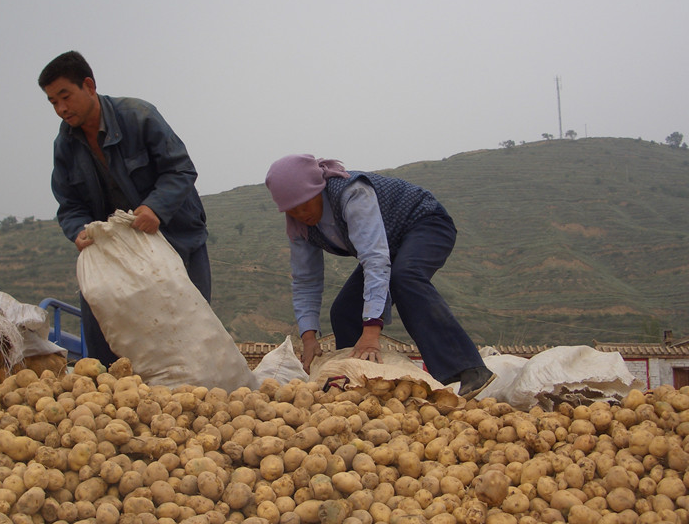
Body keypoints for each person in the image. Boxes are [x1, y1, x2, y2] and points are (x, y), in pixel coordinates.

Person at [264, 154, 495, 398]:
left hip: (424, 223)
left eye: (305, 204)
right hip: (388, 247)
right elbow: (306, 281)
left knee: (405, 277)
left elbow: (374, 259)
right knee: (344, 311)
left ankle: (469, 369)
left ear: (318, 189)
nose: (301, 214)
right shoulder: (300, 227)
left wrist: (372, 332)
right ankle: (364, 384)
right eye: (293, 210)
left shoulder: (351, 193)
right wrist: (308, 337)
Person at [39, 50, 211, 367]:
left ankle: (195, 394)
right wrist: (78, 230)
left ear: (88, 85)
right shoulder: (65, 145)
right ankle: (109, 389)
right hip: (116, 249)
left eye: (65, 97)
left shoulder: (139, 116)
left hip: (175, 238)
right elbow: (69, 204)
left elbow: (180, 170)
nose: (61, 109)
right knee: (101, 320)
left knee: (191, 329)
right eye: (52, 102)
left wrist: (154, 208)